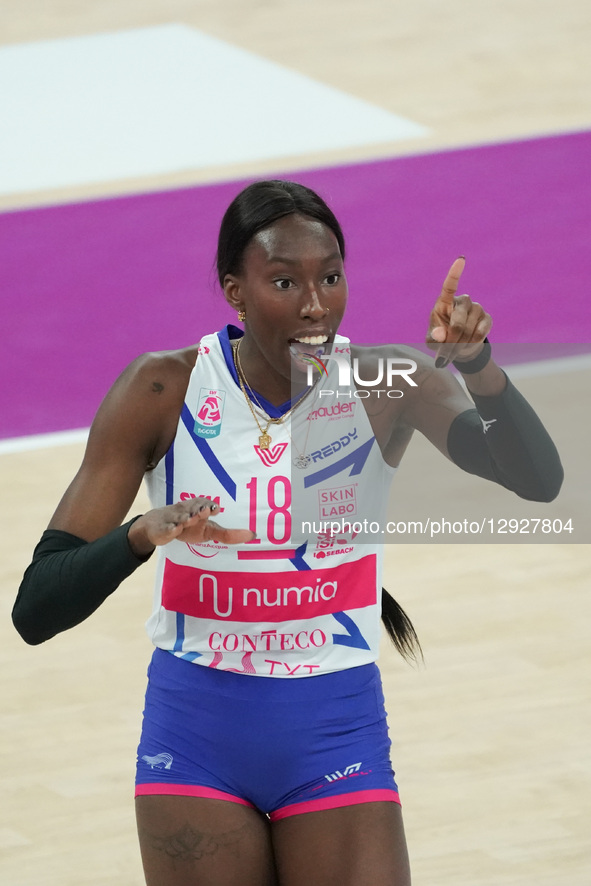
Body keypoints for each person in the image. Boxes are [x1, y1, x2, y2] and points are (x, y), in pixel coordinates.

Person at [13, 179, 563, 886]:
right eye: (283, 281)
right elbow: (36, 608)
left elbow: (537, 479)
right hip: (195, 740)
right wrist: (136, 536)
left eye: (330, 277)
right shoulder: (161, 389)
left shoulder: (385, 383)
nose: (314, 305)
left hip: (335, 729)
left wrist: (480, 366)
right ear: (234, 292)